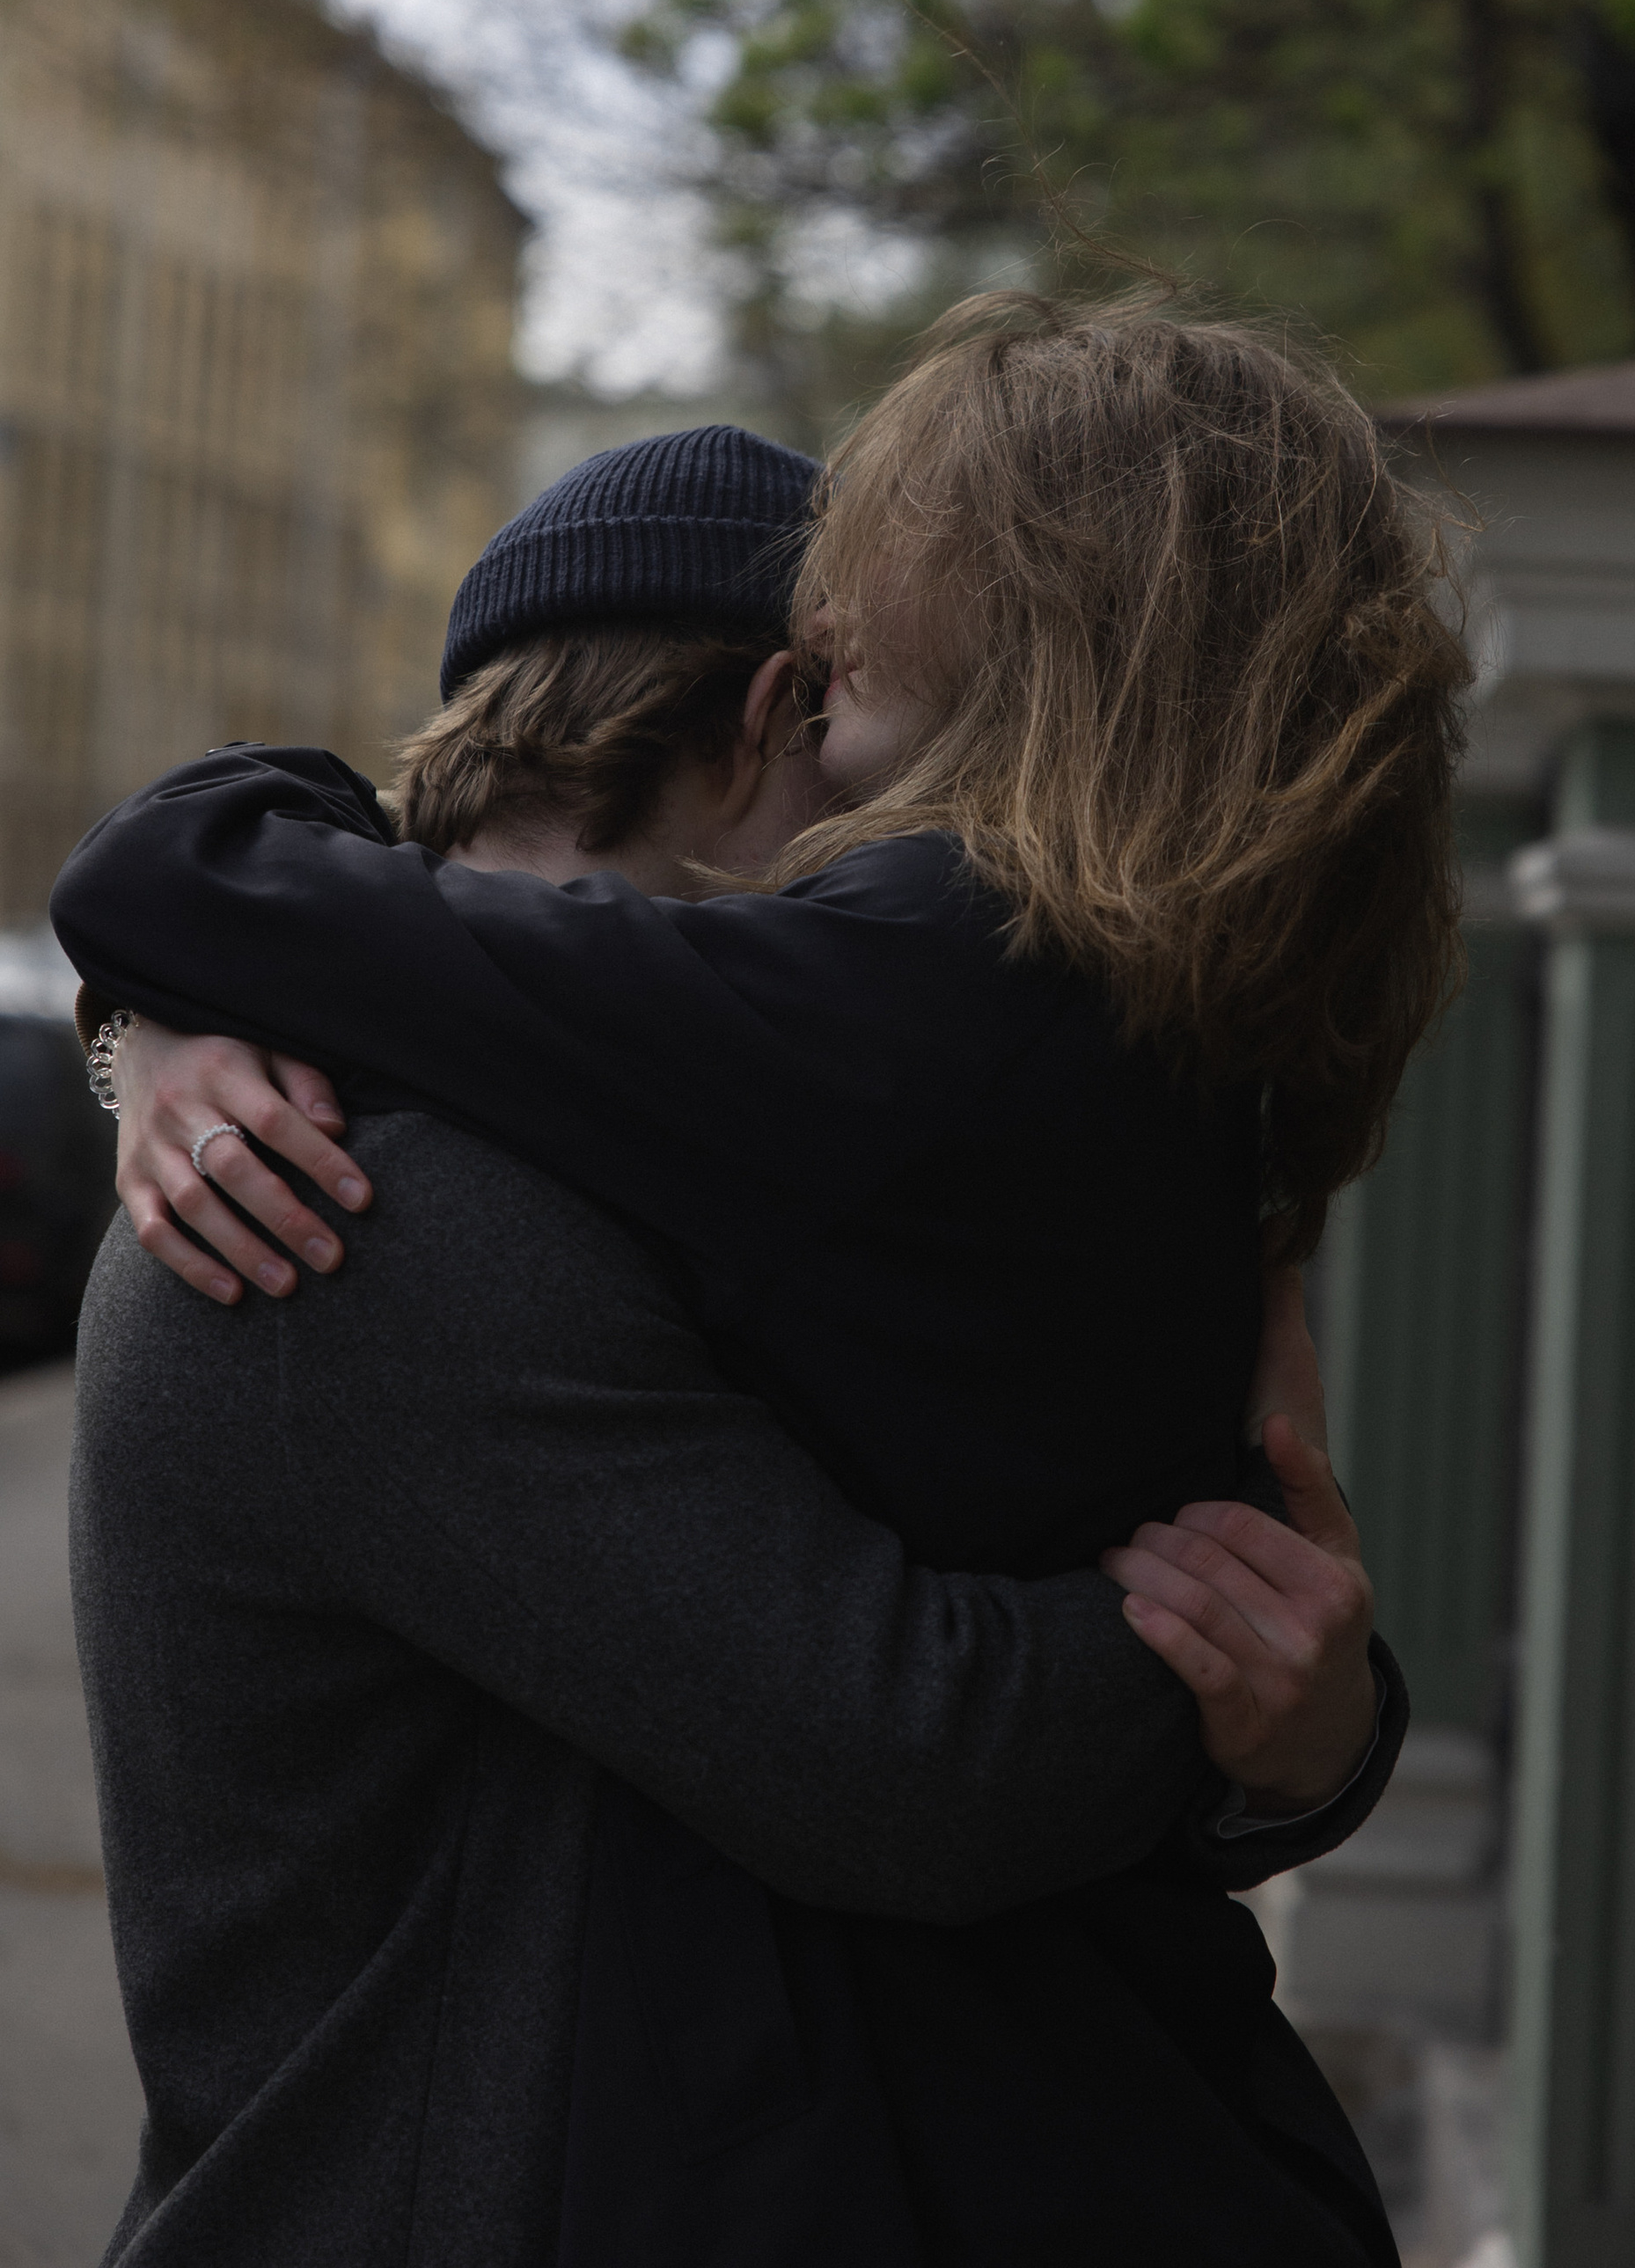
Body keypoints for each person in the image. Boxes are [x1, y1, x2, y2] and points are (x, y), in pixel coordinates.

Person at [59, 300, 1466, 2264]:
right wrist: (1240, 1688)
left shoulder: (742, 1167)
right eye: (895, 756)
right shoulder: (362, 1214)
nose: (953, 848)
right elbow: (914, 1760)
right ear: (780, 717)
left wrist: (1307, 1729)